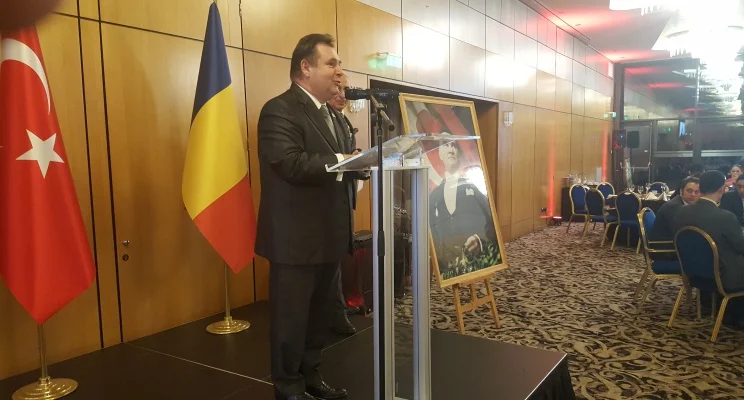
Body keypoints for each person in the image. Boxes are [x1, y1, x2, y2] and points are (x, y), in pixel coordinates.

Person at [256, 33, 357, 400]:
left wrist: (358, 163)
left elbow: (340, 163)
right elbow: (289, 162)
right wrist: (345, 161)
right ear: (305, 67)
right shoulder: (279, 109)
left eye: (339, 64)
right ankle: (288, 387)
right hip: (294, 240)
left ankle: (311, 376)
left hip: (329, 235)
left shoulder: (332, 114)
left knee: (319, 318)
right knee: (291, 321)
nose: (339, 71)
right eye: (331, 63)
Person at [326, 74, 364, 335]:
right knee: (328, 262)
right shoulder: (319, 120)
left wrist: (361, 163)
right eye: (338, 89)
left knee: (337, 259)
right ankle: (335, 312)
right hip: (323, 202)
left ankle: (337, 308)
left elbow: (348, 159)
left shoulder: (343, 120)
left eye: (347, 89)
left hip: (343, 201)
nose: (343, 95)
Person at [429, 140, 499, 280]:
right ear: (440, 154)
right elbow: (431, 229)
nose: (451, 150)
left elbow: (491, 219)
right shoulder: (434, 195)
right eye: (446, 145)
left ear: (458, 152)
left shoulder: (473, 187)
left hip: (477, 262)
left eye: (454, 145)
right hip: (449, 265)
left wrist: (479, 239)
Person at [672, 171, 744, 291]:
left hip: (692, 271)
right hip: (724, 276)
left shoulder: (680, 212)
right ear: (721, 189)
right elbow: (741, 246)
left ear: (700, 188)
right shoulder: (726, 217)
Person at [649, 176, 700, 242]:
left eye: (697, 192)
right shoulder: (674, 207)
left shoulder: (684, 204)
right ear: (681, 191)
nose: (693, 194)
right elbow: (680, 233)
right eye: (689, 191)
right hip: (664, 245)